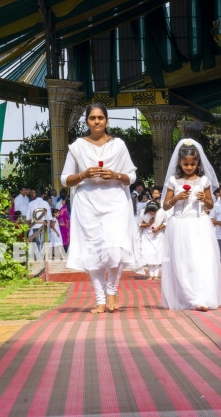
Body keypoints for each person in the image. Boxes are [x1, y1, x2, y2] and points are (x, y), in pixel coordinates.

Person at [61, 103, 139, 314]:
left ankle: (112, 290)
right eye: (92, 118)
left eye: (100, 117)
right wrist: (83, 175)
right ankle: (100, 300)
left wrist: (115, 175)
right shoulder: (77, 147)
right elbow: (64, 180)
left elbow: (131, 175)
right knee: (93, 251)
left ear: (107, 120)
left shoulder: (119, 145)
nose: (97, 121)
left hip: (115, 203)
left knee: (116, 247)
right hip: (88, 204)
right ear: (86, 121)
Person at [162, 139, 221, 311]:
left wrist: (206, 199)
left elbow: (211, 205)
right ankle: (187, 297)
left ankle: (202, 297)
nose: (189, 167)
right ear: (179, 163)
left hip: (200, 223)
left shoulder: (204, 181)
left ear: (198, 163)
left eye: (192, 164)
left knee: (201, 260)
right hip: (180, 224)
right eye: (185, 164)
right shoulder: (174, 180)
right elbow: (165, 205)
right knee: (183, 262)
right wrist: (176, 198)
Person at [139, 201, 166, 280]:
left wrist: (158, 228)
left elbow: (166, 223)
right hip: (147, 236)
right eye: (150, 211)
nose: (152, 213)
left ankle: (156, 275)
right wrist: (148, 224)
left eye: (154, 211)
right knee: (148, 254)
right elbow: (139, 224)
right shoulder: (142, 213)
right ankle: (151, 275)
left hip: (158, 236)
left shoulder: (162, 213)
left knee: (158, 254)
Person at [27, 190, 53, 260]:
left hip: (34, 225)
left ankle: (35, 257)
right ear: (42, 195)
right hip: (43, 225)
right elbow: (49, 215)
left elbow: (28, 217)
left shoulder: (31, 203)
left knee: (35, 241)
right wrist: (50, 223)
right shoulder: (45, 203)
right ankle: (41, 257)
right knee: (43, 241)